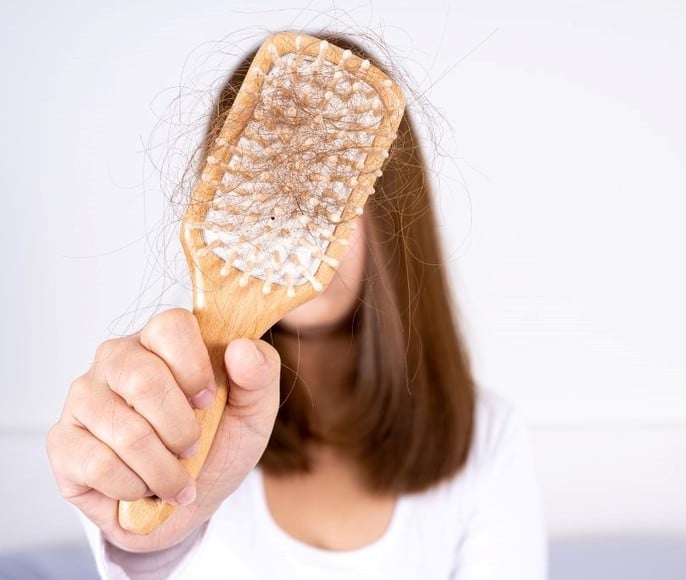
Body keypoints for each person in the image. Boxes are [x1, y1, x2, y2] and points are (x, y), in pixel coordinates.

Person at [46, 31, 546, 579]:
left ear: (391, 214)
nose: (290, 220)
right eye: (264, 186)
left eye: (322, 190)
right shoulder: (166, 420)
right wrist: (152, 543)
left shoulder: (490, 440)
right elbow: (140, 536)